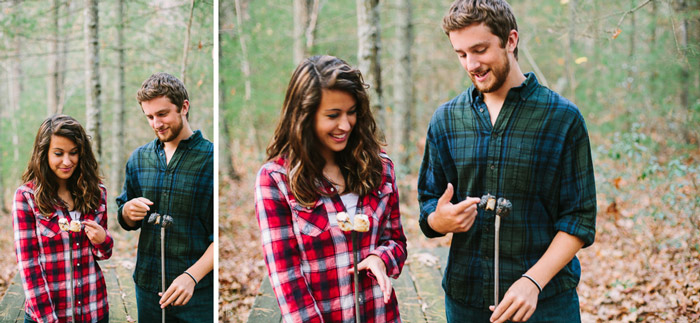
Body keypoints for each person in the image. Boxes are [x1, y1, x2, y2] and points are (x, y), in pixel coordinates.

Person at [417, 1, 597, 322]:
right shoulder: (446, 119)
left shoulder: (562, 119)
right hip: (465, 301)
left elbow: (578, 220)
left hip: (546, 304)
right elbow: (429, 207)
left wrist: (532, 281)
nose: (471, 64)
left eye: (480, 49)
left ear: (510, 41)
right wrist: (438, 221)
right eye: (461, 54)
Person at [255, 55, 407, 323]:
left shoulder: (381, 168)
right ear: (304, 116)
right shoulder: (276, 180)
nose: (346, 125)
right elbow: (286, 278)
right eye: (333, 115)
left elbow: (396, 241)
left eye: (351, 112)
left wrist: (380, 258)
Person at [116, 72, 214, 322]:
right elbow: (125, 217)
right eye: (149, 116)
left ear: (184, 107)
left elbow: (220, 238)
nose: (156, 123)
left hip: (197, 295)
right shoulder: (139, 159)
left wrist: (191, 277)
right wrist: (127, 211)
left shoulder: (211, 159)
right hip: (147, 289)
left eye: (162, 114)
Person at [13, 114, 112, 323]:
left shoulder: (97, 192)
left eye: (73, 153)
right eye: (58, 153)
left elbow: (103, 255)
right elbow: (29, 267)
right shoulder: (27, 198)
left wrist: (103, 239)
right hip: (47, 315)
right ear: (44, 154)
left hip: (94, 310)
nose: (67, 161)